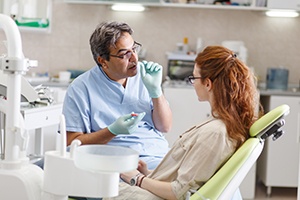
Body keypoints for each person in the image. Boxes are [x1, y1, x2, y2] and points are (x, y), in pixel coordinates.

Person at [103, 45, 261, 200]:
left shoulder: (215, 133)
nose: (193, 84)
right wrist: (148, 173)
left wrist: (137, 178)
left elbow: (178, 191)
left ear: (208, 83)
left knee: (111, 190)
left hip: (167, 196)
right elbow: (187, 177)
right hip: (162, 185)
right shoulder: (223, 125)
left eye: (194, 78)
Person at [62, 21, 172, 170]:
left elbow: (165, 127)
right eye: (124, 54)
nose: (134, 58)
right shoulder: (81, 88)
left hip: (158, 155)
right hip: (116, 162)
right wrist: (112, 131)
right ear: (103, 61)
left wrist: (156, 92)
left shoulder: (145, 76)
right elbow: (72, 143)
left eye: (134, 49)